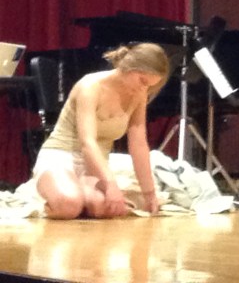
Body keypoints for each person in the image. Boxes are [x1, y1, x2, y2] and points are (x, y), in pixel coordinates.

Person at [32, 43, 170, 219]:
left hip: (94, 166)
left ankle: (79, 195)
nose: (144, 89)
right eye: (142, 81)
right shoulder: (90, 87)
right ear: (129, 67)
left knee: (103, 208)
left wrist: (149, 193)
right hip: (62, 156)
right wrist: (110, 184)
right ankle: (55, 193)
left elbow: (139, 144)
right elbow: (87, 143)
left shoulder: (139, 94)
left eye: (150, 86)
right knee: (69, 205)